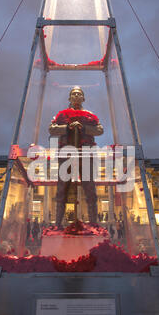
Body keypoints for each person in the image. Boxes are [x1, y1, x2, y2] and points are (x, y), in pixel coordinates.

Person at [49, 86, 103, 227]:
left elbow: (99, 130)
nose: (77, 96)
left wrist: (84, 128)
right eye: (74, 94)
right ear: (70, 98)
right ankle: (58, 223)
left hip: (85, 154)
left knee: (89, 188)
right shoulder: (61, 115)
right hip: (67, 154)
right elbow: (51, 129)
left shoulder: (90, 116)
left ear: (83, 98)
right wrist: (67, 127)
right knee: (62, 188)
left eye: (79, 94)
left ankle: (93, 223)